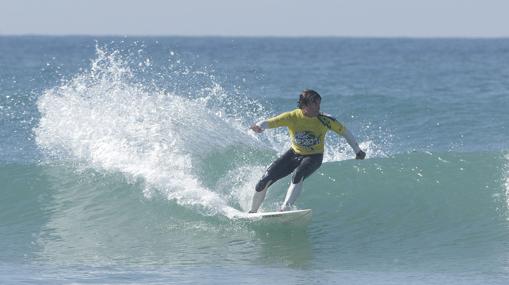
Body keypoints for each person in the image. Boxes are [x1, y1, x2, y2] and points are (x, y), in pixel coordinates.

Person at [249, 89, 366, 213]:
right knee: (264, 181)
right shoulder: (292, 116)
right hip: (294, 154)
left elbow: (345, 132)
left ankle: (285, 209)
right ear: (304, 105)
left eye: (319, 104)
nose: (318, 107)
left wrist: (358, 151)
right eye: (315, 104)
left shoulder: (325, 119)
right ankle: (252, 212)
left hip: (314, 156)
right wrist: (259, 126)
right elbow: (271, 122)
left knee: (298, 174)